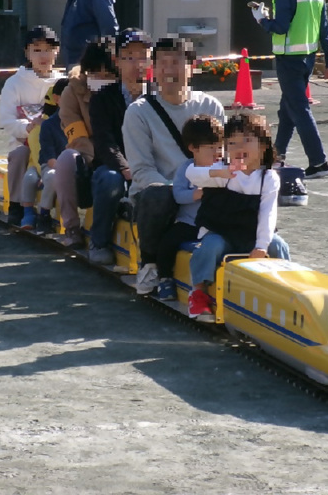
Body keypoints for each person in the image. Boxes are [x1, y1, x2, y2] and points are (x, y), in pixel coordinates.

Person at [122, 37, 225, 295]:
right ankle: (150, 262)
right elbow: (142, 170)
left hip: (205, 190)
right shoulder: (139, 112)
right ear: (153, 69)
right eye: (162, 64)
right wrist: (180, 193)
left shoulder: (210, 106)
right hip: (162, 195)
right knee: (158, 193)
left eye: (177, 62)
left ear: (191, 67)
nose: (169, 70)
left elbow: (223, 156)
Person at [185, 112, 291, 322]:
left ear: (263, 146)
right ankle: (198, 293)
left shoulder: (268, 178)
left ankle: (286, 291)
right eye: (232, 142)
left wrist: (261, 245)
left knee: (278, 246)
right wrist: (217, 174)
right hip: (222, 232)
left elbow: (268, 215)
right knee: (210, 246)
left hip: (250, 234)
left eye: (247, 140)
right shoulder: (225, 171)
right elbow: (191, 173)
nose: (239, 146)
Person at [252, 0, 328, 180]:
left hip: (288, 58)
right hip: (308, 58)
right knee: (288, 109)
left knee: (299, 109)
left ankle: (319, 162)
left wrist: (261, 20)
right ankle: (277, 156)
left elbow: (280, 27)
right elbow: (325, 30)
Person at [87, 28, 152, 265]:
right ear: (117, 61)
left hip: (152, 166)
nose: (137, 64)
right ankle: (99, 240)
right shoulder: (103, 98)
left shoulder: (159, 96)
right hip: (115, 167)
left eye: (143, 56)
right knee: (111, 180)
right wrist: (127, 170)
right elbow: (105, 143)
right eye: (130, 57)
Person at [55, 39, 118, 248]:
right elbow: (76, 133)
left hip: (120, 152)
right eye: (95, 74)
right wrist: (97, 158)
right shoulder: (71, 92)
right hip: (88, 153)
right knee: (66, 160)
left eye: (107, 75)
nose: (101, 79)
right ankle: (72, 226)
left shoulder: (125, 90)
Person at [154, 115, 224, 302]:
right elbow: (178, 195)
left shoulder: (223, 168)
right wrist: (197, 194)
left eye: (219, 147)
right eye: (211, 148)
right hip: (189, 223)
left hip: (213, 225)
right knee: (167, 243)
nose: (217, 152)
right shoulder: (186, 169)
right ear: (193, 148)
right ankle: (165, 278)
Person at [0, 26, 62, 226]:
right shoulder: (14, 83)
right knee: (19, 155)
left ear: (56, 51)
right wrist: (28, 127)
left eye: (48, 49)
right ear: (27, 52)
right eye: (36, 50)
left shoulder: (64, 82)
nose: (43, 56)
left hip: (57, 143)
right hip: (24, 141)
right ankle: (17, 205)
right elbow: (7, 120)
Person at [20, 78, 69, 231]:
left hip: (64, 164)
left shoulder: (79, 120)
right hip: (44, 164)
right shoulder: (45, 125)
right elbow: (41, 153)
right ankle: (33, 213)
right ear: (57, 99)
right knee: (31, 178)